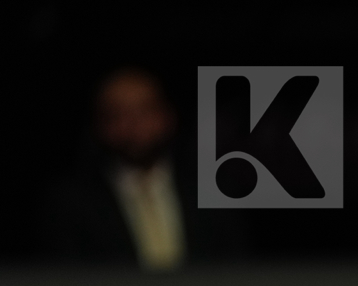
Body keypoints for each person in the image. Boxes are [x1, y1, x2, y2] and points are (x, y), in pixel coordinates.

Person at [38, 68, 246, 269]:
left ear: (167, 115)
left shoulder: (213, 189)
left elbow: (238, 269)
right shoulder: (71, 202)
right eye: (118, 114)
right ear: (99, 124)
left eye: (145, 110)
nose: (134, 124)